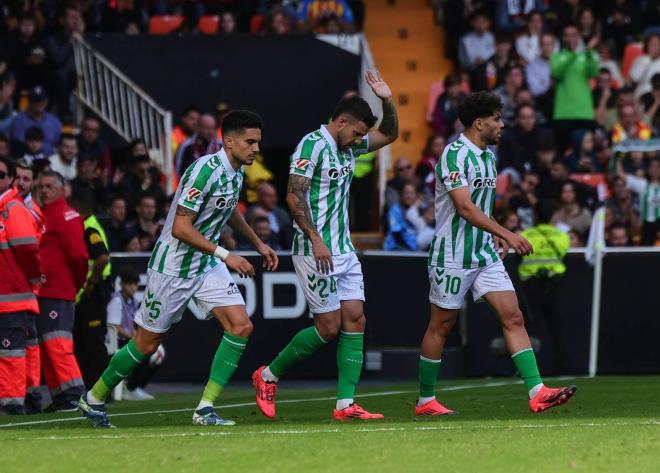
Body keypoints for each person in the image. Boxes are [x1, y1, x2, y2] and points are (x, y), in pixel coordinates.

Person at [78, 110, 279, 428]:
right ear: (228, 141)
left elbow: (227, 211)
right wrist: (227, 254)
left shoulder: (236, 173)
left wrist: (257, 242)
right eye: (250, 141)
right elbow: (180, 229)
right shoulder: (204, 172)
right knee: (146, 344)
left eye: (258, 142)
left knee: (241, 326)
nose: (256, 148)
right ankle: (94, 398)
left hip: (205, 263)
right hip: (173, 266)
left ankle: (205, 408)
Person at [416, 91, 576, 417]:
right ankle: (425, 401)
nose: (502, 125)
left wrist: (495, 234)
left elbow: (482, 208)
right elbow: (463, 207)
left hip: (484, 252)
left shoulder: (488, 156)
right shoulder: (454, 155)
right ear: (479, 122)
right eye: (497, 119)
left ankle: (537, 391)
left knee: (513, 316)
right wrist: (507, 233)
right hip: (452, 254)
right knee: (441, 326)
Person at [252, 70, 398, 421]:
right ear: (341, 121)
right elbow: (293, 194)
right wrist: (316, 239)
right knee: (329, 327)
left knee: (356, 319)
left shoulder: (350, 144)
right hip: (313, 250)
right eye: (358, 133)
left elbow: (390, 134)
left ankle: (346, 405)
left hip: (344, 249)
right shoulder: (312, 145)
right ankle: (267, 375)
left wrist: (388, 100)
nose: (360, 140)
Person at [37, 170, 89, 411]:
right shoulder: (44, 215)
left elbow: (79, 257)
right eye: (42, 187)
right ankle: (60, 396)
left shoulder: (65, 216)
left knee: (57, 343)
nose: (44, 191)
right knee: (49, 344)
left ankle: (74, 394)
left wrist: (73, 285)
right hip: (46, 292)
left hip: (57, 292)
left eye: (49, 186)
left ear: (61, 188)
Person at [0, 157, 42, 415]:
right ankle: (27, 398)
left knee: (12, 351)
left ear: (10, 179)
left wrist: (34, 279)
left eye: (1, 174)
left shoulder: (12, 209)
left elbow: (28, 249)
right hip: (14, 297)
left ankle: (12, 404)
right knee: (21, 349)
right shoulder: (8, 208)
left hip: (14, 297)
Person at [519, 203, 571, 374]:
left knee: (530, 327)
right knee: (557, 327)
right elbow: (563, 252)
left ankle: (529, 368)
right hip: (553, 284)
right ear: (554, 216)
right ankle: (561, 367)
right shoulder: (562, 236)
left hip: (530, 285)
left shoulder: (526, 235)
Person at [69, 188, 112, 389]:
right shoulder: (88, 224)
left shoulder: (88, 228)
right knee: (83, 343)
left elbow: (102, 258)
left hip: (92, 293)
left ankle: (102, 390)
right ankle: (89, 389)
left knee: (93, 344)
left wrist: (92, 282)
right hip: (85, 294)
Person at [14, 159, 45, 413]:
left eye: (26, 179)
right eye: (19, 178)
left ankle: (30, 395)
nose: (22, 183)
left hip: (26, 292)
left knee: (29, 347)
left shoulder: (35, 212)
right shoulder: (8, 208)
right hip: (13, 289)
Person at [106, 266, 161, 401]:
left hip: (127, 339)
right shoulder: (116, 300)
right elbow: (114, 327)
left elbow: (134, 325)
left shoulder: (133, 302)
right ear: (122, 284)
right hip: (114, 341)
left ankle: (137, 387)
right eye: (129, 284)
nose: (133, 287)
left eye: (135, 284)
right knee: (144, 348)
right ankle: (130, 388)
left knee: (158, 352)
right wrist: (134, 337)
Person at [551, 24, 599, 153]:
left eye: (573, 35)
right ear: (562, 38)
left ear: (578, 37)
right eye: (566, 35)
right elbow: (556, 73)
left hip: (584, 112)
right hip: (563, 112)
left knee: (587, 151)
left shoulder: (587, 56)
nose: (570, 38)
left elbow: (594, 72)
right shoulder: (556, 56)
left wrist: (588, 52)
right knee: (564, 151)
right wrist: (572, 55)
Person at [9, 85, 62, 156]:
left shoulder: (54, 121)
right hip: (26, 161)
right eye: (35, 100)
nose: (39, 104)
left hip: (50, 161)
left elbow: (59, 146)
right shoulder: (19, 121)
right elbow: (19, 146)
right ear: (30, 101)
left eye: (41, 100)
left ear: (46, 101)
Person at [618, 157, 659, 246]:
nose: (655, 169)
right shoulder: (642, 184)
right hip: (647, 226)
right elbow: (620, 174)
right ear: (648, 169)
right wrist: (618, 156)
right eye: (652, 166)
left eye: (658, 166)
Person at [244, 182, 292, 250]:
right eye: (269, 196)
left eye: (274, 196)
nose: (273, 199)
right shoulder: (251, 212)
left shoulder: (282, 213)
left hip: (281, 249)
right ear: (259, 196)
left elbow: (288, 233)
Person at [384, 182, 418, 251]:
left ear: (415, 195)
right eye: (406, 193)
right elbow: (396, 234)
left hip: (416, 251)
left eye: (411, 193)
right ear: (401, 195)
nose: (409, 196)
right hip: (396, 250)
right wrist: (409, 250)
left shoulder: (419, 210)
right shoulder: (395, 209)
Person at [629, 34, 660, 100]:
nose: (653, 47)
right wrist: (647, 59)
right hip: (641, 93)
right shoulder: (640, 60)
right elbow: (634, 79)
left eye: (656, 44)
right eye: (651, 44)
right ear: (647, 45)